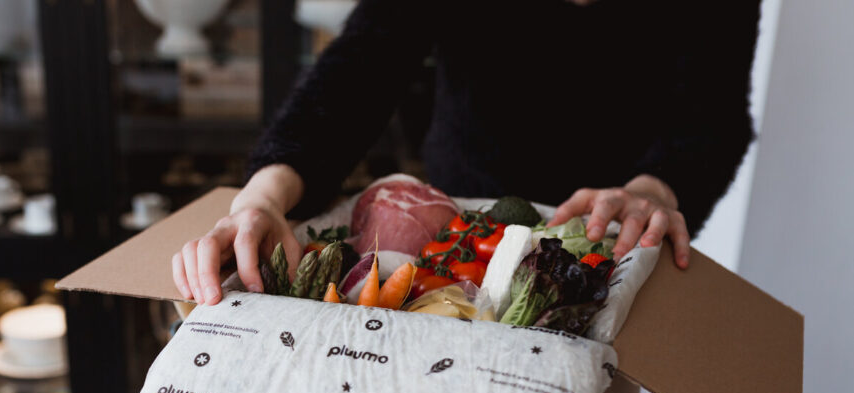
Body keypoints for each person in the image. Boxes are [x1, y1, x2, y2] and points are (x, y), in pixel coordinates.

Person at [173, 0, 761, 305]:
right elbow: (358, 71)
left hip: (618, 226)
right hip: (464, 215)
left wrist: (652, 190)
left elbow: (713, 117)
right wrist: (262, 199)